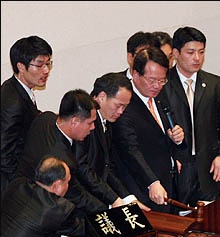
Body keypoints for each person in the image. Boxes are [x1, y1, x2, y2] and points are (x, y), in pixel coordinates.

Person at [161, 26, 220, 205]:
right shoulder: (162, 85)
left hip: (208, 170)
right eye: (191, 52)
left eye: (201, 52)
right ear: (176, 53)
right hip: (176, 172)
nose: (197, 58)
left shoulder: (216, 84)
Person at [111, 47, 185, 213]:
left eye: (162, 80)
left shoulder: (160, 96)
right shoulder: (125, 105)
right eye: (152, 80)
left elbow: (162, 134)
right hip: (142, 190)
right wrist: (152, 182)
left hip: (169, 184)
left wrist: (176, 140)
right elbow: (130, 150)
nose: (157, 86)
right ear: (136, 74)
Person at [16, 89, 108, 214]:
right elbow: (80, 198)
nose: (93, 128)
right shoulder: (62, 162)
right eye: (90, 123)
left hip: (17, 192)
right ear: (74, 121)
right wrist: (108, 211)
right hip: (37, 210)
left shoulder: (45, 118)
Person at [73, 72, 149, 212]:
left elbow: (107, 167)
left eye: (125, 107)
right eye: (118, 105)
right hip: (82, 203)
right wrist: (114, 199)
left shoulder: (106, 122)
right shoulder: (85, 122)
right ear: (102, 97)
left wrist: (127, 198)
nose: (121, 112)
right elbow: (82, 168)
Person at [1, 35, 53, 193]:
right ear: (21, 66)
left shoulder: (15, 88)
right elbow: (4, 156)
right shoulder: (13, 102)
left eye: (48, 63)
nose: (46, 70)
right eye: (39, 65)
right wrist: (24, 189)